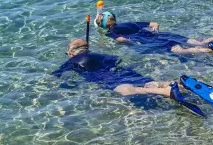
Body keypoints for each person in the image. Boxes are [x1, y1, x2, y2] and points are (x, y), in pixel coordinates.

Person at [53, 39, 204, 114]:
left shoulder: (71, 61)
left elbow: (57, 75)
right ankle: (180, 84)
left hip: (107, 79)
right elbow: (116, 60)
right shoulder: (98, 54)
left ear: (71, 53)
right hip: (123, 71)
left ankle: (167, 92)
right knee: (149, 82)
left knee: (125, 90)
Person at [94, 12, 213, 55]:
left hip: (148, 41)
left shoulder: (110, 32)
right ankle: (211, 40)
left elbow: (121, 39)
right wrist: (156, 33)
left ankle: (207, 50)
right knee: (187, 40)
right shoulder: (130, 23)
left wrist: (133, 44)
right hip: (159, 35)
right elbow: (154, 24)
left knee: (177, 50)